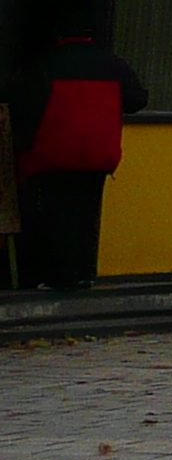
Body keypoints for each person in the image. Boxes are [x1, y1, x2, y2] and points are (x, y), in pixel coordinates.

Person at [9, 29, 145, 291]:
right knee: (85, 214)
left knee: (53, 214)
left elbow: (25, 105)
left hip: (53, 155)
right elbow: (136, 100)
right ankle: (81, 275)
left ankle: (54, 275)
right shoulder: (114, 65)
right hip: (97, 154)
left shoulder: (46, 64)